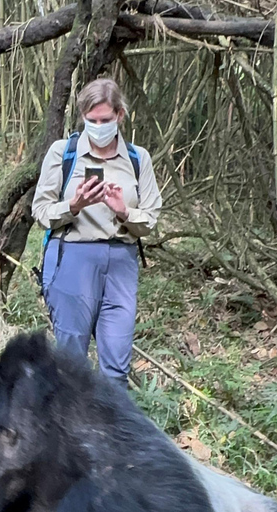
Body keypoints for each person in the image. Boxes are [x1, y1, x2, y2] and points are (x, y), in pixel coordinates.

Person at [32, 78, 162, 388]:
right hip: (73, 259)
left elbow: (151, 217)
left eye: (105, 120)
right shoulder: (63, 152)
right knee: (71, 362)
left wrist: (122, 210)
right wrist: (74, 205)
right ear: (83, 117)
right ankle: (68, 431)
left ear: (120, 115)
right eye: (92, 121)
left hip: (121, 263)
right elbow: (41, 211)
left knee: (116, 366)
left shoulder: (137, 158)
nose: (99, 126)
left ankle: (110, 433)